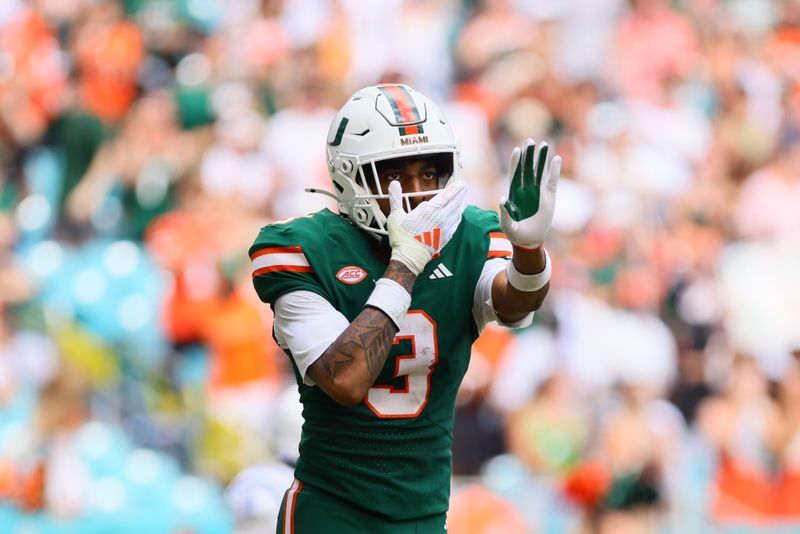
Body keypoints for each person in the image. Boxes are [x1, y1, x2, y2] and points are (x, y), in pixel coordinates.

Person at [248, 83, 560, 533]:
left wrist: (529, 250)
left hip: (424, 514)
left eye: (431, 173)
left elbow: (512, 305)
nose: (417, 193)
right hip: (332, 512)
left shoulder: (469, 235)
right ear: (350, 178)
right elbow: (346, 378)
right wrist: (405, 263)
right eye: (395, 176)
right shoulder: (303, 247)